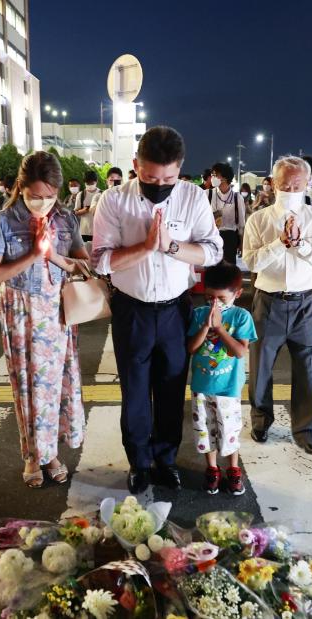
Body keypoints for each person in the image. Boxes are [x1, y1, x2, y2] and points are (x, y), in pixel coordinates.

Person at [93, 126, 223, 494]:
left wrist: (171, 247)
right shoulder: (113, 200)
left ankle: (166, 460)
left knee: (170, 388)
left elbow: (213, 251)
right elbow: (101, 260)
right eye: (150, 177)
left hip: (175, 309)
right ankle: (139, 461)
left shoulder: (193, 197)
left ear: (180, 169)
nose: (159, 184)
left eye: (168, 177)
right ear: (135, 165)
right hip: (131, 309)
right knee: (134, 391)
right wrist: (146, 247)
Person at [0, 151, 88, 487]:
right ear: (20, 187)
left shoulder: (66, 219)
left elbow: (82, 265)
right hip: (21, 311)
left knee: (56, 385)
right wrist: (32, 255)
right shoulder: (3, 221)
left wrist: (52, 254)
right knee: (27, 386)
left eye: (50, 196)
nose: (43, 203)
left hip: (57, 311)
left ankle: (52, 454)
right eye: (35, 196)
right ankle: (32, 455)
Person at [243, 156, 312, 454]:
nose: (290, 189)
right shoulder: (259, 219)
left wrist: (301, 244)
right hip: (268, 302)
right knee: (261, 368)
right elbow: (251, 261)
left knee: (306, 368)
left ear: (308, 183)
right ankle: (260, 420)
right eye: (284, 184)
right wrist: (280, 243)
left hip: (304, 303)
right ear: (272, 183)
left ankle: (306, 429)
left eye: (297, 184)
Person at [186, 263, 257, 495]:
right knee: (206, 429)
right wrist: (206, 326)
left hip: (228, 388)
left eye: (221, 298)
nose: (214, 303)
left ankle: (234, 469)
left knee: (229, 430)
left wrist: (221, 329)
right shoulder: (198, 314)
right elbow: (191, 348)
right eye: (209, 297)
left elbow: (239, 351)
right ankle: (212, 469)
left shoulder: (241, 316)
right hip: (201, 386)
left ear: (237, 294)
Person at [207, 162, 245, 264]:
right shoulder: (208, 194)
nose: (212, 177)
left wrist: (241, 243)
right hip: (211, 236)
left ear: (225, 178)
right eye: (212, 175)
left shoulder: (237, 198)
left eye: (215, 175)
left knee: (228, 270)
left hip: (229, 238)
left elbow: (241, 225)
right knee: (211, 268)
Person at [73, 170, 102, 245]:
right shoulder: (81, 195)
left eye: (91, 183)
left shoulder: (102, 194)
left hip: (99, 231)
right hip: (84, 231)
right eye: (87, 183)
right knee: (86, 254)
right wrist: (84, 210)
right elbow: (75, 212)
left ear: (96, 182)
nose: (89, 185)